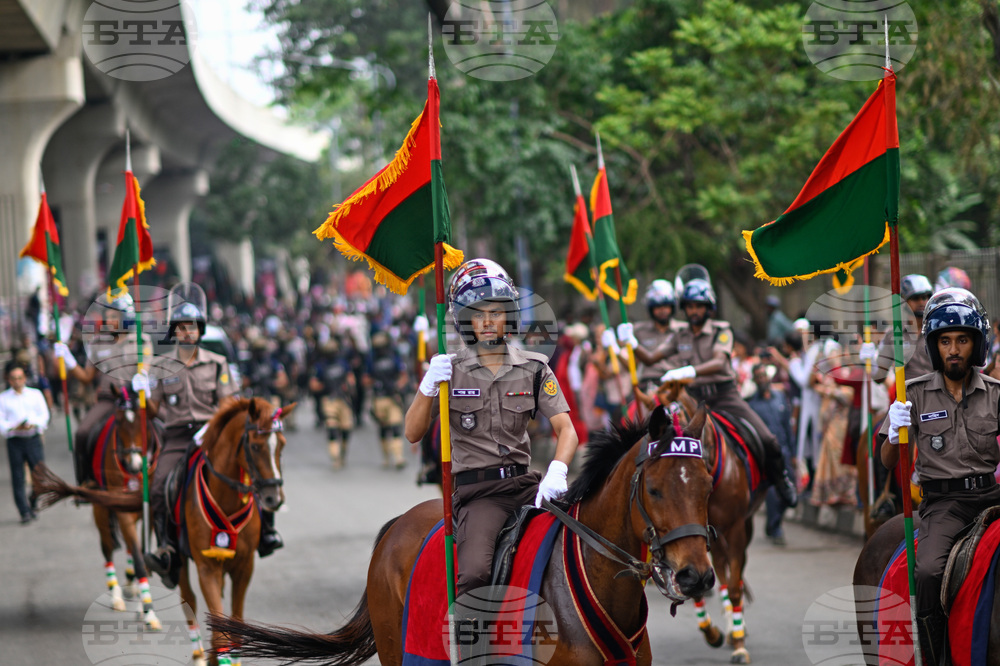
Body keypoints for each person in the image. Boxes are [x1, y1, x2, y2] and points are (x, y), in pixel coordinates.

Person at [404, 258, 579, 597]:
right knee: (475, 575)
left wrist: (557, 471)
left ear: (509, 316)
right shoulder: (448, 371)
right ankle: (478, 647)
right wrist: (427, 386)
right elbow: (413, 433)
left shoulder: (534, 368)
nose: (487, 322)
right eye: (478, 313)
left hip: (528, 486)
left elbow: (567, 429)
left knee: (581, 542)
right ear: (464, 320)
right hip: (480, 496)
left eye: (496, 312)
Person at [879, 287, 1000, 666]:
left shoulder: (997, 394)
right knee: (929, 572)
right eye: (944, 341)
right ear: (933, 347)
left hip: (991, 496)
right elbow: (885, 460)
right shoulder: (912, 394)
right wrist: (896, 429)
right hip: (944, 505)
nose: (953, 349)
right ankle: (935, 655)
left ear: (976, 345)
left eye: (962, 340)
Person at [623, 277, 798, 507]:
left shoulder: (721, 329)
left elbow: (718, 361)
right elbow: (650, 357)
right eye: (690, 306)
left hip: (725, 397)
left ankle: (780, 481)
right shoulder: (680, 334)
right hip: (694, 401)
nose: (694, 311)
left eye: (699, 306)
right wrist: (630, 342)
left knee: (769, 439)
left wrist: (688, 370)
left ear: (709, 308)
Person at [143, 300, 281, 587]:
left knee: (256, 470)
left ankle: (266, 532)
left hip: (212, 432)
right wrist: (141, 393)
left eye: (191, 327)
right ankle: (166, 548)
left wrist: (211, 428)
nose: (186, 333)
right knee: (159, 486)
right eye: (181, 328)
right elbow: (154, 410)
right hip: (178, 436)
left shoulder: (218, 363)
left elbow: (228, 402)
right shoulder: (159, 366)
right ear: (174, 332)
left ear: (199, 331)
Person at [52, 292, 139, 485]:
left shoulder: (141, 341)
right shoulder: (98, 343)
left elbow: (149, 369)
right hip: (108, 400)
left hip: (135, 401)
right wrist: (68, 360)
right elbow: (86, 378)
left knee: (164, 429)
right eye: (108, 315)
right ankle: (86, 481)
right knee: (82, 433)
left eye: (115, 315)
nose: (109, 319)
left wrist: (145, 380)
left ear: (126, 317)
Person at [746, 363, 795, 546]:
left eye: (763, 375)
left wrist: (794, 453)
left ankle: (774, 523)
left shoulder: (780, 398)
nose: (762, 379)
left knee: (790, 490)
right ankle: (775, 529)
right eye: (758, 376)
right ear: (754, 380)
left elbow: (788, 428)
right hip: (765, 456)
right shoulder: (751, 404)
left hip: (784, 452)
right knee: (773, 493)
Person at [0, 363, 49, 523]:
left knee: (39, 475)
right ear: (8, 379)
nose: (17, 381)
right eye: (13, 378)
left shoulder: (35, 394)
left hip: (32, 438)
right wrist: (14, 426)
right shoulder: (3, 398)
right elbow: (2, 422)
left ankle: (34, 501)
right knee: (18, 477)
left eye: (20, 378)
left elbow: (44, 415)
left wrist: (33, 423)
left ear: (25, 378)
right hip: (15, 440)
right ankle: (24, 511)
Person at [869, 274, 934, 383]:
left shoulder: (937, 331)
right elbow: (879, 377)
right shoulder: (893, 334)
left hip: (935, 396)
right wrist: (871, 362)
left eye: (925, 297)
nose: (922, 302)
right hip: (906, 397)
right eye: (915, 298)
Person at [308, 338, 355, 469]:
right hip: (329, 399)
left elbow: (351, 378)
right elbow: (313, 385)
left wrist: (348, 386)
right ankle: (335, 456)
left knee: (346, 428)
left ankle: (343, 452)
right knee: (332, 427)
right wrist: (325, 387)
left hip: (343, 399)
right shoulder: (319, 367)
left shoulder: (343, 363)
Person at [368, 330, 408, 469]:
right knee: (386, 428)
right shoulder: (376, 359)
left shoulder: (390, 357)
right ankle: (389, 457)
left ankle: (396, 457)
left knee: (394, 426)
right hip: (382, 398)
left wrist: (397, 386)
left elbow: (403, 375)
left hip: (389, 397)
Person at [632, 279, 679, 390]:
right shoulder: (638, 331)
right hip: (648, 384)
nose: (662, 310)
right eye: (657, 307)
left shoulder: (682, 330)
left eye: (666, 306)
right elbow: (631, 365)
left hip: (676, 384)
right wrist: (618, 348)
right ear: (650, 309)